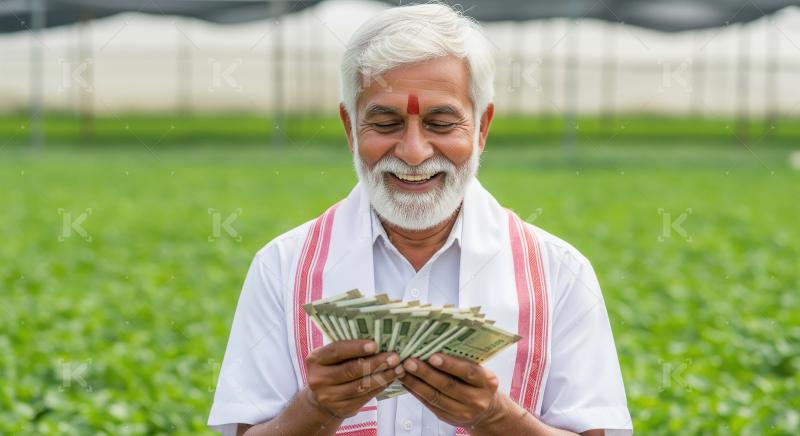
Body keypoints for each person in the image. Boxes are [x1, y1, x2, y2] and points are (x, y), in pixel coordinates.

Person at [208, 3, 632, 435]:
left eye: (441, 123)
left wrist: (495, 418)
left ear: (482, 128)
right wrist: (315, 409)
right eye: (385, 124)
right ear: (350, 129)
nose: (413, 152)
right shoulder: (283, 266)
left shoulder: (559, 272)